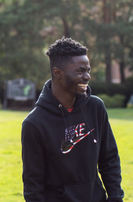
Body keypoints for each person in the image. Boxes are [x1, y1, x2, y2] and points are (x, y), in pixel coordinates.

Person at [21, 37, 124, 202]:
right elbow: (33, 184)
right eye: (80, 71)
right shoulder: (34, 123)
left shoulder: (96, 107)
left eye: (88, 70)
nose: (87, 76)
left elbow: (109, 159)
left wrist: (116, 197)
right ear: (57, 73)